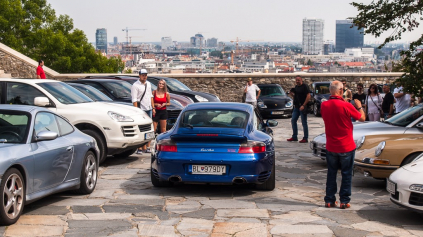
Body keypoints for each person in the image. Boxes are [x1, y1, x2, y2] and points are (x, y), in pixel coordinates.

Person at [321, 80, 365, 209]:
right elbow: (362, 118)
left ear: (330, 91)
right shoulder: (346, 106)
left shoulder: (324, 105)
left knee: (331, 173)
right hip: (346, 145)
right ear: (341, 91)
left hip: (331, 145)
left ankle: (329, 199)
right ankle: (344, 201)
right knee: (346, 174)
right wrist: (359, 106)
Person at [131, 69, 154, 154]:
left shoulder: (148, 84)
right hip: (141, 109)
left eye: (145, 75)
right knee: (141, 128)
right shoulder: (135, 85)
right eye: (143, 75)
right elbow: (134, 99)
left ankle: (147, 146)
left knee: (149, 129)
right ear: (139, 75)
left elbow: (150, 96)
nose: (144, 76)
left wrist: (153, 107)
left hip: (149, 108)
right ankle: (140, 147)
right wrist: (136, 110)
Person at [287, 76, 310, 143]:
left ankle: (305, 138)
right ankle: (294, 136)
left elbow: (308, 96)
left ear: (301, 80)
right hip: (296, 107)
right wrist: (292, 95)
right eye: (296, 80)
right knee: (293, 120)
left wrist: (303, 105)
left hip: (302, 107)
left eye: (298, 80)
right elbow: (296, 97)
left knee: (304, 122)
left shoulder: (305, 86)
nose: (297, 81)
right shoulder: (296, 87)